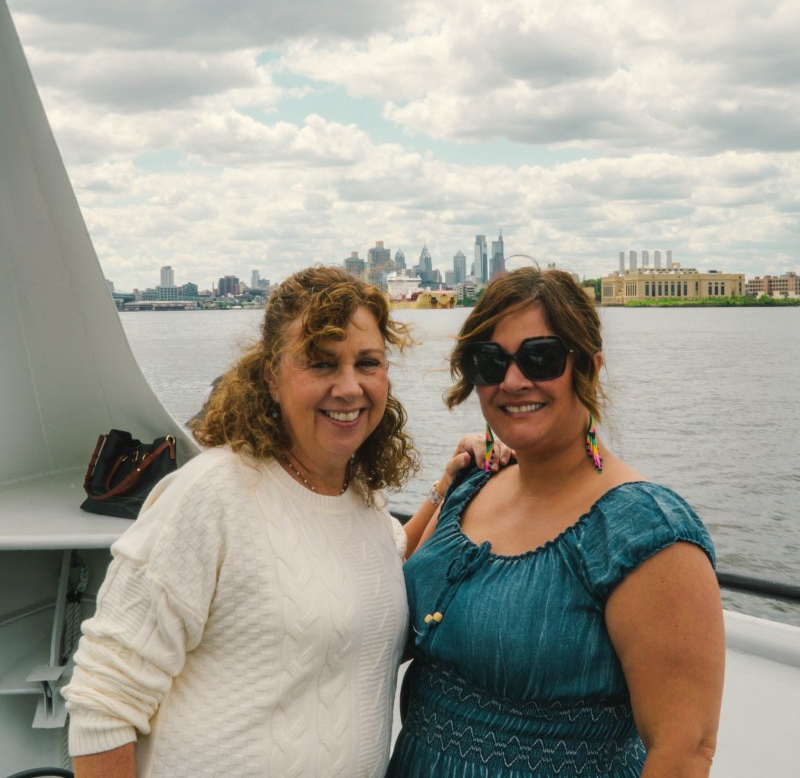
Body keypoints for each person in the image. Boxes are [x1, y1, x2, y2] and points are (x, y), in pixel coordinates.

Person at [62, 265, 509, 778]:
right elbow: (102, 704)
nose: (349, 388)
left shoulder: (360, 497)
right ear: (271, 377)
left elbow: (378, 573)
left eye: (367, 363)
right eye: (321, 364)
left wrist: (448, 483)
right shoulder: (210, 496)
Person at [387, 267, 725, 778]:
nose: (514, 380)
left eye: (540, 357)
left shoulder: (644, 533)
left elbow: (684, 748)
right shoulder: (471, 490)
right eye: (490, 361)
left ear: (588, 366)